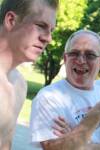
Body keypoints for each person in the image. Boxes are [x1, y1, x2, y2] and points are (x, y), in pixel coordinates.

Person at [30, 30, 100, 150]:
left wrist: (82, 145)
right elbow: (52, 147)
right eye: (74, 53)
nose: (80, 60)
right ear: (65, 58)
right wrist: (97, 113)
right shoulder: (49, 97)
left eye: (90, 55)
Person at [0, 0, 59, 149]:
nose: (48, 38)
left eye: (51, 30)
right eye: (41, 26)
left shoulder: (19, 85)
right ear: (11, 20)